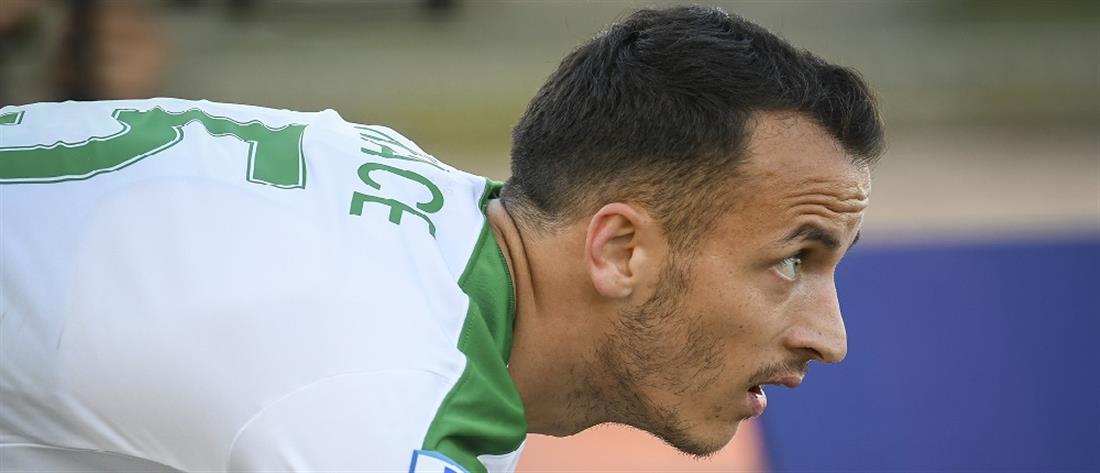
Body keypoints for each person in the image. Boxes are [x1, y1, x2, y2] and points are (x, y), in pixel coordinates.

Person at [0, 5, 884, 473]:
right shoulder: (398, 394)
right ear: (619, 249)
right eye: (793, 260)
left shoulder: (419, 238)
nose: (831, 336)